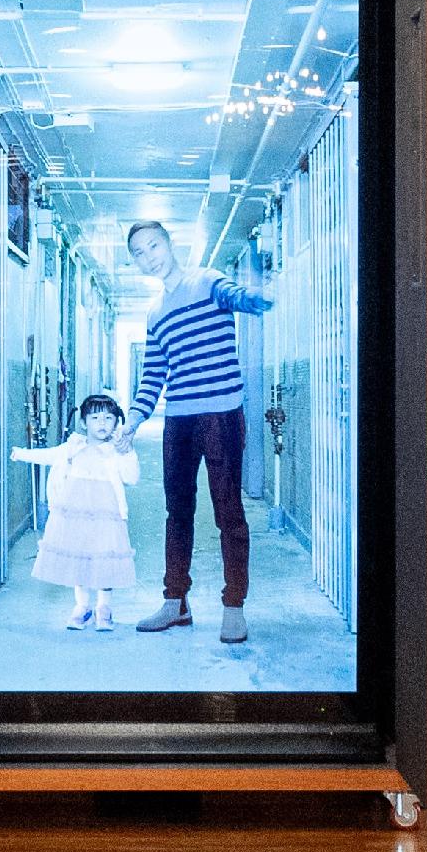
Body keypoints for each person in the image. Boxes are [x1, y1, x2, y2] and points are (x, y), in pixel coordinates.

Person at [121, 219, 273, 643]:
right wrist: (133, 421)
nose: (149, 256)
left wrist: (254, 299)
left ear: (170, 244)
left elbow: (233, 296)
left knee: (229, 513)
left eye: (153, 246)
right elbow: (153, 375)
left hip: (221, 415)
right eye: (140, 253)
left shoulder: (206, 281)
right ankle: (176, 603)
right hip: (179, 421)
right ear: (136, 262)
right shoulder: (155, 314)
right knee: (178, 512)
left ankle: (234, 605)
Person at [15, 395, 142, 632]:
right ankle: (82, 606)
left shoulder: (116, 451)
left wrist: (128, 452)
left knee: (105, 557)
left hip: (106, 514)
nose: (102, 423)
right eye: (95, 418)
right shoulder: (74, 447)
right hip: (74, 512)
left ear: (116, 423)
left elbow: (132, 477)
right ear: (84, 422)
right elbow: (50, 455)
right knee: (79, 556)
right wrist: (22, 454)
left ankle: (104, 607)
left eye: (108, 418)